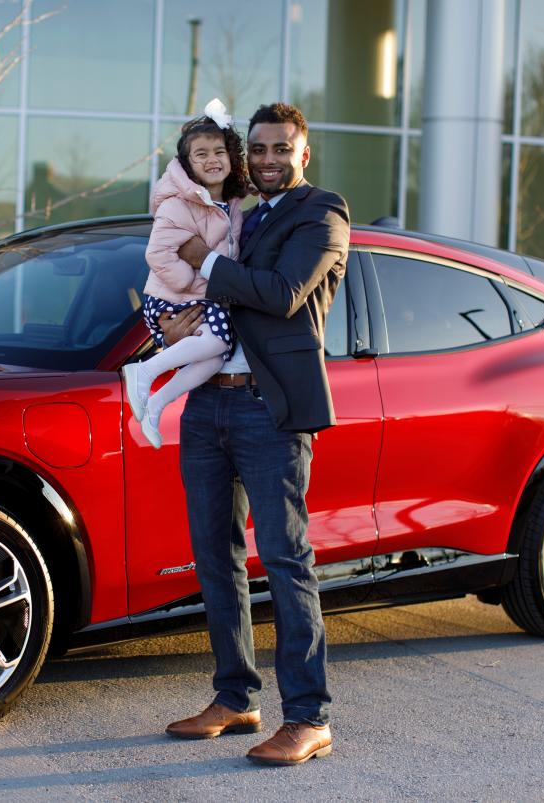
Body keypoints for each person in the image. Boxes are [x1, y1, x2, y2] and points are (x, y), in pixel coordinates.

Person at [160, 102, 350, 767]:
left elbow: (280, 292)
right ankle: (235, 694)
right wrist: (172, 325)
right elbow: (188, 284)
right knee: (214, 555)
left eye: (281, 149)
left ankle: (309, 715)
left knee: (285, 557)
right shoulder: (235, 211)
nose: (268, 159)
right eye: (259, 149)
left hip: (269, 410)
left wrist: (202, 261)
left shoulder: (321, 215)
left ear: (304, 154)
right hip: (207, 403)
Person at [122, 99, 247, 448]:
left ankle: (157, 405)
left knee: (217, 355)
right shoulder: (179, 205)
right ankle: (144, 372)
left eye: (219, 151)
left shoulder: (231, 207)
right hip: (171, 297)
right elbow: (157, 253)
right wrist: (192, 284)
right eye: (201, 154)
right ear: (188, 166)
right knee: (220, 341)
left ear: (232, 157)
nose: (211, 160)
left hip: (202, 297)